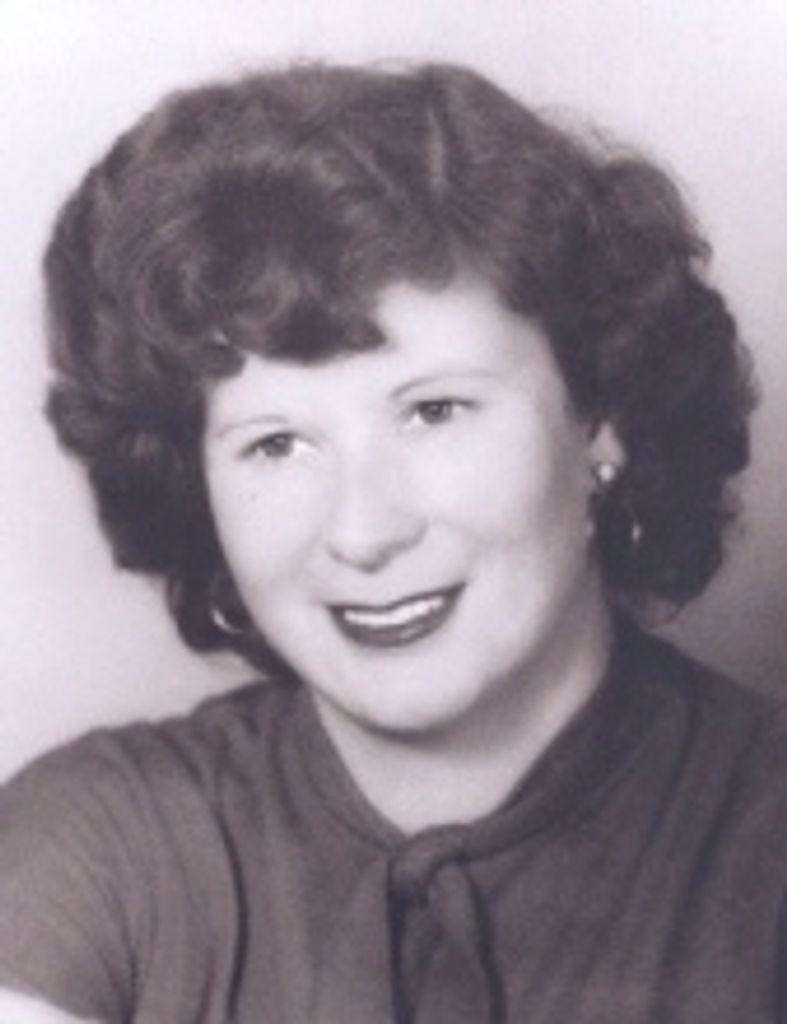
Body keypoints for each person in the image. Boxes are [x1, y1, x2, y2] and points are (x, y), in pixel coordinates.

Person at [0, 60, 774, 1023]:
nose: (362, 534)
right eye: (275, 444)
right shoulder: (92, 848)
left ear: (600, 424)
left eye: (433, 412)